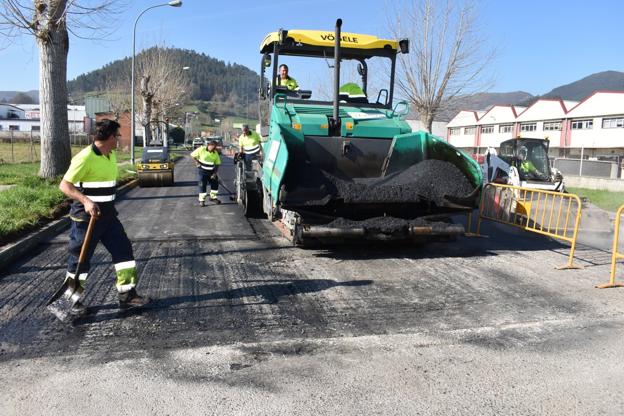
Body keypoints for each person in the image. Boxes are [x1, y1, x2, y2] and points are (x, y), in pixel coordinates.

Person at [59, 119, 151, 316]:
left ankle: (127, 294)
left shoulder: (111, 154)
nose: (118, 139)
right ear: (110, 137)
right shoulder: (84, 158)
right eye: (117, 136)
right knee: (79, 259)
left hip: (108, 216)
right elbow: (65, 186)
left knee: (124, 252)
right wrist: (85, 201)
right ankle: (71, 300)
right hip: (86, 218)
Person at [191, 139, 222, 206]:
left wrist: (214, 174)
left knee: (215, 183)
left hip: (211, 172)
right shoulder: (202, 149)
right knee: (202, 184)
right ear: (208, 145)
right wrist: (197, 162)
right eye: (212, 147)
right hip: (202, 171)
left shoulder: (215, 153)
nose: (213, 149)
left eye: (214, 148)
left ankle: (213, 197)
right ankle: (202, 200)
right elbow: (192, 155)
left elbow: (217, 164)